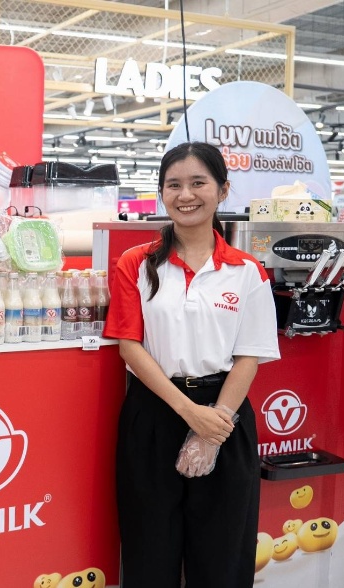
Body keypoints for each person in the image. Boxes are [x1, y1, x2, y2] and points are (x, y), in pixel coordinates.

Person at [103, 141, 280, 588]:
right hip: (154, 414)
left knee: (223, 557)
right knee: (149, 553)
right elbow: (129, 347)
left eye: (198, 183)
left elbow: (249, 355)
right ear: (162, 192)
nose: (185, 195)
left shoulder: (247, 271)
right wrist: (190, 414)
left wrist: (212, 426)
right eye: (173, 185)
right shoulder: (136, 263)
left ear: (223, 190)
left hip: (224, 416)